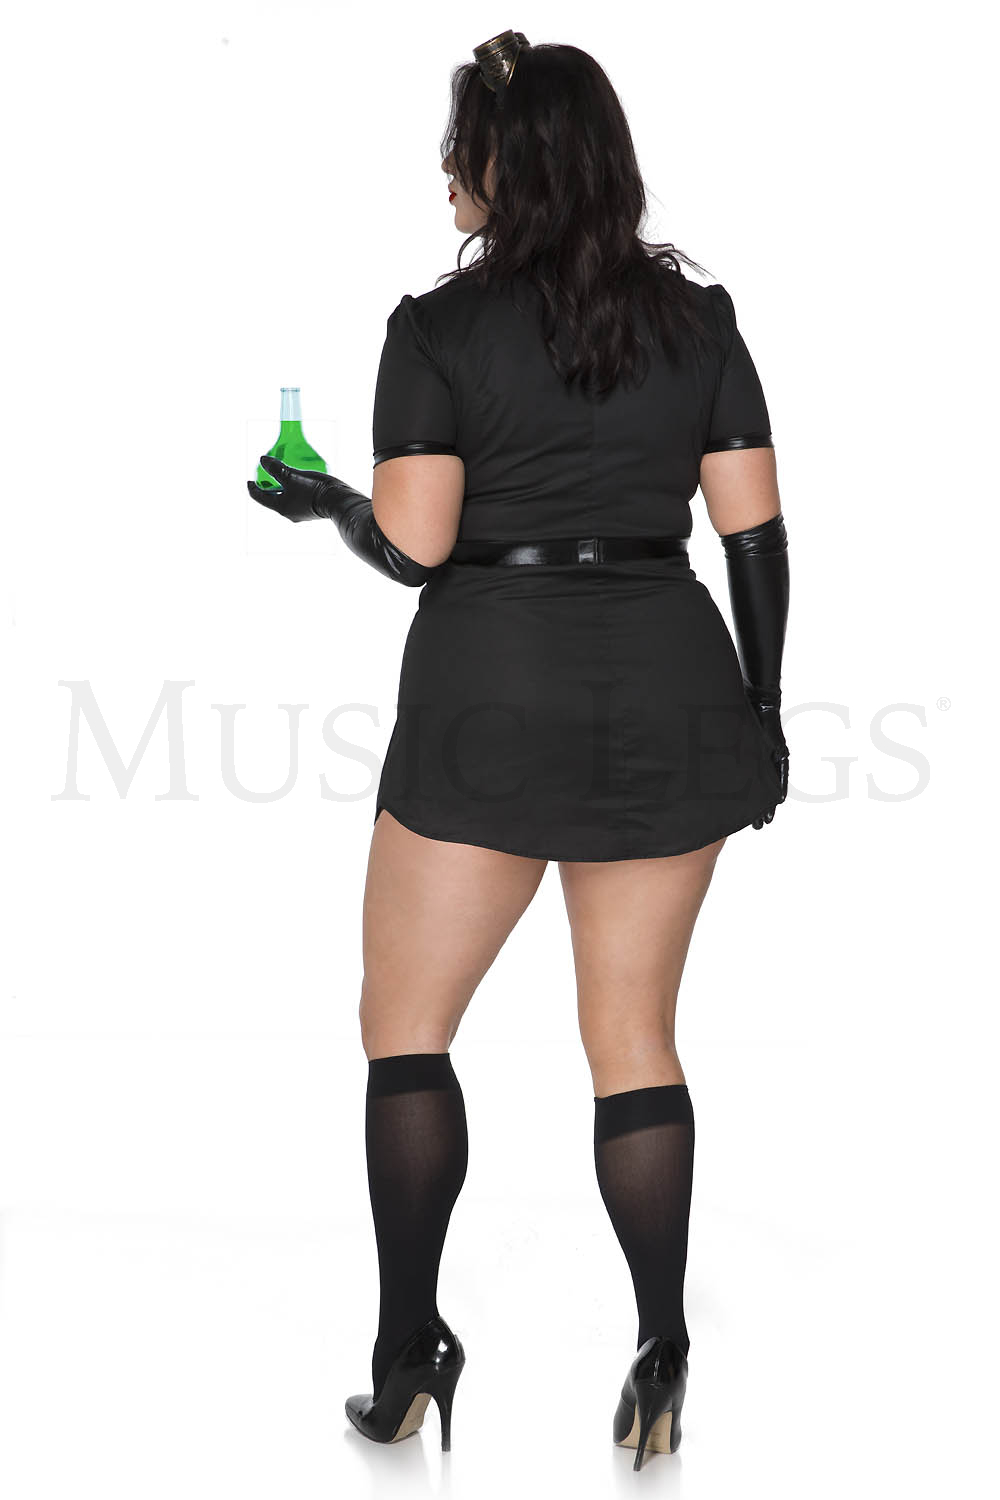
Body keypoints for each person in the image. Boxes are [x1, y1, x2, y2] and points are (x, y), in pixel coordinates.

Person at [248, 30, 790, 1471]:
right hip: (671, 687)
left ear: (509, 165)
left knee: (405, 1029)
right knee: (634, 1041)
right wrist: (760, 713)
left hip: (491, 689)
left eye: (459, 148)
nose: (444, 172)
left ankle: (408, 1351)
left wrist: (326, 503)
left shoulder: (436, 331)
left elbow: (418, 547)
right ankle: (662, 1350)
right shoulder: (700, 320)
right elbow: (754, 535)